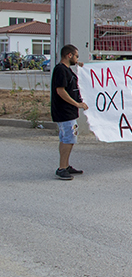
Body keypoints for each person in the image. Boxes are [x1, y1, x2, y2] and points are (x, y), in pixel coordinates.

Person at [51, 44, 88, 180]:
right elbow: (61, 91)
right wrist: (77, 104)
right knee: (68, 138)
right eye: (76, 56)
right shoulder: (61, 70)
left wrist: (81, 66)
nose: (77, 59)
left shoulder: (66, 70)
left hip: (68, 111)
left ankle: (66, 165)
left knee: (68, 139)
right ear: (69, 55)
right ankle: (62, 168)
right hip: (64, 111)